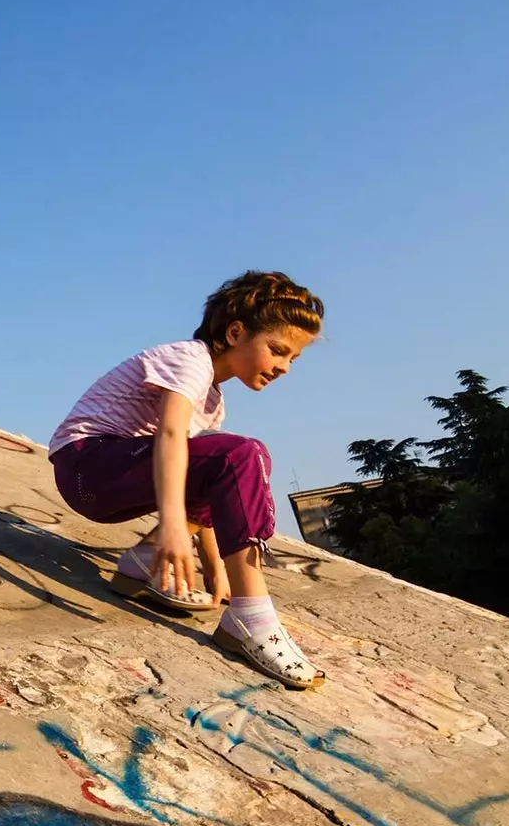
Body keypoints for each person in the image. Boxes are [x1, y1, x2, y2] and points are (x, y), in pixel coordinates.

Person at [48, 271, 326, 689]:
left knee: (244, 456)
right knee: (240, 452)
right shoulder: (189, 359)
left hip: (112, 478)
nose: (284, 367)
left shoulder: (213, 401)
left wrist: (217, 571)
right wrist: (174, 526)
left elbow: (211, 483)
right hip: (87, 466)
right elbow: (170, 435)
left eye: (293, 360)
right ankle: (253, 618)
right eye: (278, 350)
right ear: (235, 332)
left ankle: (141, 562)